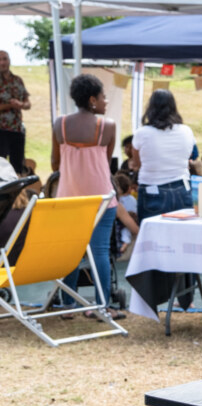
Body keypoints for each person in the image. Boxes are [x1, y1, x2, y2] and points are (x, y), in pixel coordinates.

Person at [51, 74, 131, 320]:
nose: (106, 101)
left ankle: (67, 305)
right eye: (103, 96)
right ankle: (101, 306)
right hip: (100, 198)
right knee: (99, 252)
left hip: (69, 198)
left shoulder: (60, 124)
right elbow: (105, 164)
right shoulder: (106, 126)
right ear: (92, 99)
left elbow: (55, 161)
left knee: (71, 252)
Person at [130, 89, 196, 221]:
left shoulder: (142, 133)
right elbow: (189, 156)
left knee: (153, 237)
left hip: (152, 188)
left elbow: (137, 164)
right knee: (182, 237)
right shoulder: (186, 131)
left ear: (151, 108)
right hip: (182, 188)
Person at [0, 50, 31, 174]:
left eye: (5, 59)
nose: (2, 62)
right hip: (1, 130)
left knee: (17, 166)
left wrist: (21, 104)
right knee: (1, 166)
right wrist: (9, 105)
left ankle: (17, 192)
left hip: (17, 129)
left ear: (9, 61)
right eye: (0, 59)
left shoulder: (17, 80)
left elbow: (28, 103)